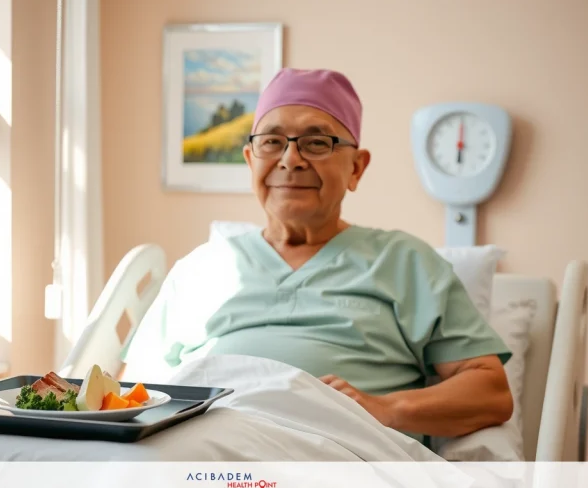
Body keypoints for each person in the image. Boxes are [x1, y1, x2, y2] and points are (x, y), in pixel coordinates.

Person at [121, 68, 513, 443]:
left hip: (341, 457)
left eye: (317, 142)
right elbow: (131, 397)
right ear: (250, 160)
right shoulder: (199, 270)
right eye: (272, 142)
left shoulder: (404, 262)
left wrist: (383, 408)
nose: (291, 159)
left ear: (357, 167)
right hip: (204, 458)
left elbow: (490, 392)